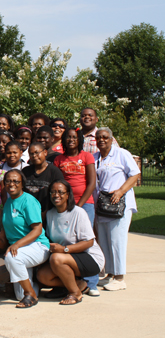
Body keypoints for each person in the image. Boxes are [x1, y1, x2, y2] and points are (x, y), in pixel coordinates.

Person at [37, 180, 105, 305]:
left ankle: (75, 293)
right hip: (67, 257)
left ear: (68, 195)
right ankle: (79, 284)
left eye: (60, 192)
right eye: (53, 192)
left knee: (56, 258)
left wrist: (64, 249)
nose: (56, 195)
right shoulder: (51, 214)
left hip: (90, 258)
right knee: (43, 276)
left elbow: (89, 242)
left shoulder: (78, 212)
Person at [94, 127, 140, 291]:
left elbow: (135, 174)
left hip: (119, 204)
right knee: (105, 241)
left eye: (105, 137)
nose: (101, 140)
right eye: (98, 137)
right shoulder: (95, 157)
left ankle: (120, 278)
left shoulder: (121, 154)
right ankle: (110, 274)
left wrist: (121, 191)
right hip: (103, 205)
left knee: (117, 241)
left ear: (112, 139)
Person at [53, 128, 98, 295]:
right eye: (68, 137)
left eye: (74, 137)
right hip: (65, 205)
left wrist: (79, 205)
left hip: (85, 204)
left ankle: (92, 282)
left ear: (79, 140)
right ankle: (74, 281)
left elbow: (91, 183)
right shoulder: (59, 159)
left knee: (86, 241)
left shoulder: (87, 156)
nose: (71, 140)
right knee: (68, 240)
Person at [2, 169, 50, 308]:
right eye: (8, 181)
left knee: (11, 257)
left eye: (16, 181)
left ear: (22, 184)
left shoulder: (28, 200)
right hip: (21, 249)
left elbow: (37, 230)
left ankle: (31, 295)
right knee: (19, 295)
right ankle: (35, 286)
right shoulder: (8, 202)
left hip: (37, 245)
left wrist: (17, 244)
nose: (12, 184)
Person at [23, 142, 64, 219]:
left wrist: (46, 212)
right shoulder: (25, 172)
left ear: (45, 152)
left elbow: (60, 194)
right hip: (27, 215)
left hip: (49, 215)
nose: (34, 156)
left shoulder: (54, 172)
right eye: (31, 154)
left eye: (37, 153)